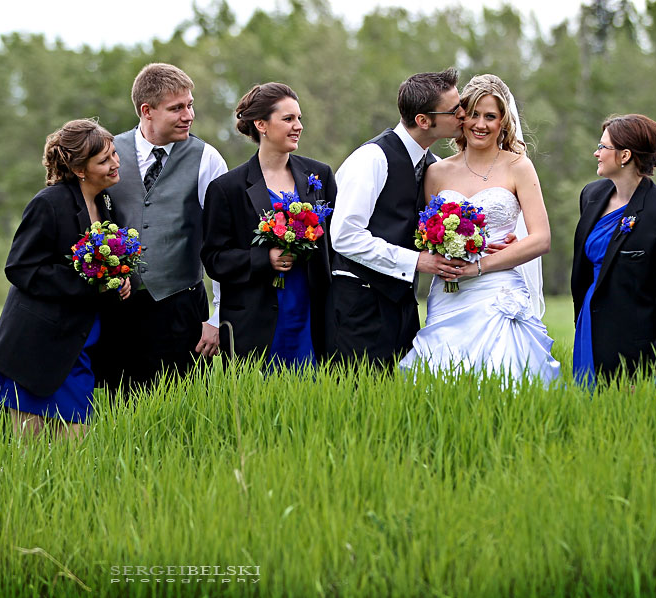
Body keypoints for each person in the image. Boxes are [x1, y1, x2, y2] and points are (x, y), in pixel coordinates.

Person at [398, 74, 561, 384]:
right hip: (449, 291)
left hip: (498, 289)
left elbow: (541, 239)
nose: (480, 124)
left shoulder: (518, 167)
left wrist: (480, 266)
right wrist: (440, 250)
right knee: (441, 378)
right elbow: (425, 236)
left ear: (503, 122)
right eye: (473, 114)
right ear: (461, 117)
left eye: (490, 116)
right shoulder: (437, 171)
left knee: (506, 376)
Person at [0, 119, 131, 439]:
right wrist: (92, 282)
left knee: (77, 445)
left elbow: (103, 267)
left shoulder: (105, 204)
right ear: (80, 169)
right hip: (35, 348)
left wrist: (120, 278)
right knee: (29, 456)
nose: (115, 163)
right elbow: (21, 268)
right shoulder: (48, 203)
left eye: (114, 154)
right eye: (104, 160)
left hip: (77, 345)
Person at [95, 63, 228, 389]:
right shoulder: (108, 154)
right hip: (120, 308)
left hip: (183, 309)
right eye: (177, 108)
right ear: (147, 111)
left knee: (187, 408)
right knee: (118, 407)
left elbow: (222, 244)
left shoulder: (207, 158)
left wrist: (216, 317)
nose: (189, 115)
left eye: (190, 104)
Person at [327, 68, 468, 368]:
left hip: (402, 305)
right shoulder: (372, 159)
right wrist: (417, 261)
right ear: (423, 120)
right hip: (359, 306)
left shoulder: (434, 166)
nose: (463, 114)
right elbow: (344, 236)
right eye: (454, 109)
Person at [201, 83, 336, 366]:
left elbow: (335, 245)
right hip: (255, 321)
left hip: (312, 313)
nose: (298, 126)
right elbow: (215, 259)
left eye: (299, 118)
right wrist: (266, 258)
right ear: (261, 124)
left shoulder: (319, 174)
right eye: (288, 119)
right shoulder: (227, 188)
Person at [571, 114, 656, 384]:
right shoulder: (591, 196)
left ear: (625, 155)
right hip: (589, 326)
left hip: (635, 345)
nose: (597, 153)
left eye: (603, 147)